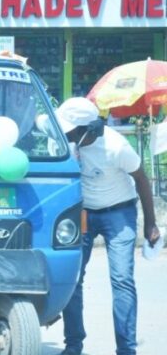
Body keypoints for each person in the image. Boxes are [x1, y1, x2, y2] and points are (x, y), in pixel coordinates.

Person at [56, 97, 161, 355]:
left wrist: (150, 223)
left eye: (69, 130)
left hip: (119, 213)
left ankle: (126, 349)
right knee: (73, 278)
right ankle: (73, 345)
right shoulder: (65, 144)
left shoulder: (116, 147)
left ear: (87, 130)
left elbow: (142, 180)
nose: (64, 133)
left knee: (122, 279)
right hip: (83, 215)